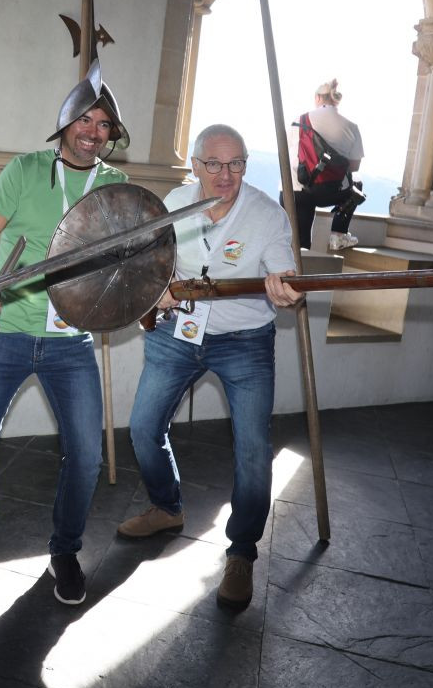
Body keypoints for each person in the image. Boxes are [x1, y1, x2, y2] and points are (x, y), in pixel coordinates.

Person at [0, 60, 129, 606]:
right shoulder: (24, 170)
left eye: (104, 124)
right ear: (65, 123)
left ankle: (64, 549)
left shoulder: (117, 188)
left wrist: (138, 293)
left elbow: (131, 265)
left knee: (86, 456)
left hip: (72, 343)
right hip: (4, 334)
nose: (93, 132)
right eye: (84, 120)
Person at [116, 123, 302, 613]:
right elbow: (150, 261)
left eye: (236, 163)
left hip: (245, 341)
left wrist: (285, 289)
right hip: (177, 334)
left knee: (253, 450)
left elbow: (283, 272)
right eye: (214, 164)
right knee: (143, 428)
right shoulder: (174, 203)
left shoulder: (267, 214)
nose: (225, 174)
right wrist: (156, 288)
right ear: (195, 166)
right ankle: (166, 507)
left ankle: (241, 552)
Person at [291, 79, 364, 251]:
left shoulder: (299, 120)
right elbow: (354, 167)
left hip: (297, 190)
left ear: (318, 97)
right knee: (357, 184)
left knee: (300, 247)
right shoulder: (351, 126)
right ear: (337, 100)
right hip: (329, 192)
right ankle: (338, 234)